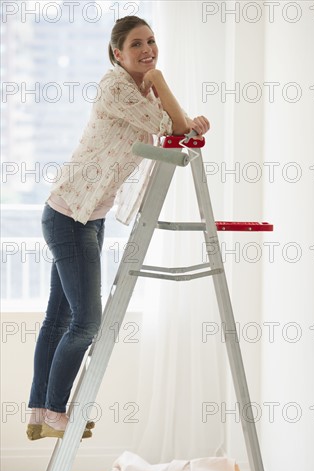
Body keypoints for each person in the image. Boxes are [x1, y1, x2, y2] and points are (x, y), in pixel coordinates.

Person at [26, 16, 210, 440]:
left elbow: (177, 130)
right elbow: (174, 126)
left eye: (151, 42)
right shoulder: (115, 88)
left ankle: (39, 411)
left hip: (87, 215)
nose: (147, 50)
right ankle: (56, 410)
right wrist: (163, 83)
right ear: (117, 54)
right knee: (87, 323)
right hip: (69, 215)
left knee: (60, 319)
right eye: (136, 45)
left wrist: (187, 122)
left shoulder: (141, 91)